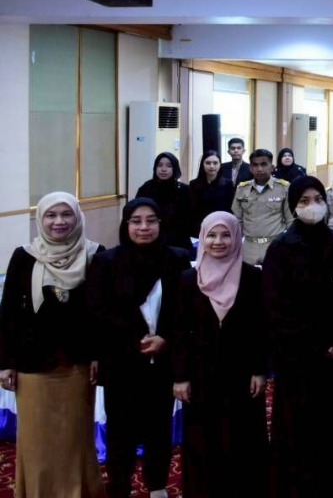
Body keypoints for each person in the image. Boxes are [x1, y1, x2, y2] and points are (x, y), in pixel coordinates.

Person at [0, 192, 106, 498]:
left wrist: (99, 356)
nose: (59, 221)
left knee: (75, 438)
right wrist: (5, 363)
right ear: (40, 218)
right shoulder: (25, 256)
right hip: (33, 366)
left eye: (66, 214)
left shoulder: (95, 254)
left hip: (77, 365)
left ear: (77, 217)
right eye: (51, 215)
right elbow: (8, 314)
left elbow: (102, 313)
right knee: (37, 439)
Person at [87, 198, 191, 498]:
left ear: (161, 223)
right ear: (126, 224)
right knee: (121, 434)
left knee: (159, 429)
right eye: (136, 221)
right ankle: (120, 487)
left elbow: (185, 309)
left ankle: (158, 486)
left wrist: (165, 339)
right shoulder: (107, 262)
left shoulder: (177, 259)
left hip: (163, 362)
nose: (144, 227)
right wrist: (136, 340)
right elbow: (97, 311)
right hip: (121, 362)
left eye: (151, 220)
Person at [262, 177, 333, 498]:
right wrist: (316, 346)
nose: (312, 206)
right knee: (296, 435)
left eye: (318, 199)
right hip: (296, 362)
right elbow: (275, 309)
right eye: (304, 201)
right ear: (293, 206)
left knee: (331, 434)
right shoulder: (280, 249)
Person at [172, 212, 268, 498]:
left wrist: (259, 369)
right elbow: (179, 331)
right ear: (202, 238)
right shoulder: (188, 279)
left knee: (243, 439)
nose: (218, 241)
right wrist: (180, 376)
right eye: (212, 235)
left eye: (226, 235)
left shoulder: (252, 277)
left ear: (237, 237)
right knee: (203, 439)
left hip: (241, 374)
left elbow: (261, 328)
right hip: (201, 375)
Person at [231, 149, 292, 266]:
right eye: (255, 165)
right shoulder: (242, 189)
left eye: (264, 164)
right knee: (249, 277)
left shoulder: (283, 188)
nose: (259, 169)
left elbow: (290, 220)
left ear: (272, 167)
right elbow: (237, 220)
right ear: (250, 168)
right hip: (249, 247)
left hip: (275, 245)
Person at [136, 151, 194, 252]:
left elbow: (190, 217)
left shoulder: (184, 190)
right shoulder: (146, 188)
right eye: (160, 165)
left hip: (178, 241)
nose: (163, 169)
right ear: (155, 168)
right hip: (151, 238)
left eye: (168, 166)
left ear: (174, 168)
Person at [189, 149, 235, 237]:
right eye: (208, 163)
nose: (212, 166)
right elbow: (192, 210)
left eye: (215, 163)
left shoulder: (227, 184)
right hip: (200, 228)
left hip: (221, 227)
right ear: (202, 164)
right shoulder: (194, 184)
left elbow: (230, 208)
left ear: (220, 164)